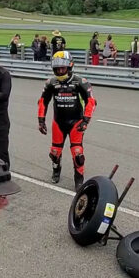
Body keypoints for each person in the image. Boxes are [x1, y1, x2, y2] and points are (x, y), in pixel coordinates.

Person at [38, 51, 96, 189]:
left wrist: (86, 120)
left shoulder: (81, 82)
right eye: (57, 68)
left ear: (70, 66)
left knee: (77, 153)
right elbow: (42, 102)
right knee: (55, 152)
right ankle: (56, 170)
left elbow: (91, 102)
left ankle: (79, 178)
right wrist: (41, 121)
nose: (60, 71)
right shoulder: (50, 83)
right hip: (58, 122)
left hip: (76, 122)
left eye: (62, 68)